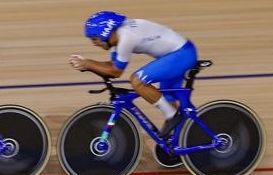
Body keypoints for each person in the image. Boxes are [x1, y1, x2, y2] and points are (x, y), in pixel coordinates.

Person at [69, 11, 198, 138]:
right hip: (174, 55)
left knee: (137, 81)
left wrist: (87, 63)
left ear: (105, 33)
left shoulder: (126, 37)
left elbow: (116, 72)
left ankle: (172, 115)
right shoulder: (117, 38)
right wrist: (89, 65)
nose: (93, 43)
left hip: (181, 55)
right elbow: (113, 66)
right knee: (169, 101)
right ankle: (179, 142)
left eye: (94, 39)